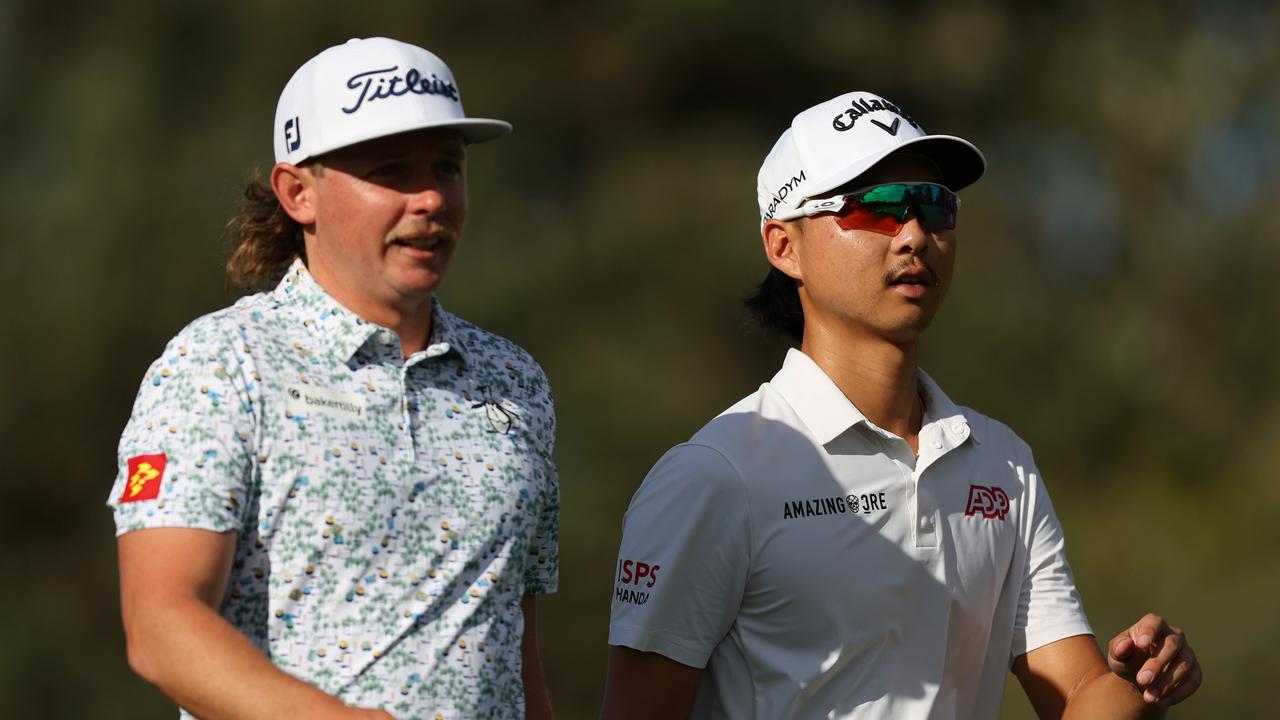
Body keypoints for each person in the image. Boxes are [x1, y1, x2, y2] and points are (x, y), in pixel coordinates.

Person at [602, 91, 1200, 718]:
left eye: (933, 206)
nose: (914, 234)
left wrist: (1141, 686)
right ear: (784, 247)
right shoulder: (713, 476)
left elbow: (1077, 694)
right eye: (877, 209)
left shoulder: (1002, 463)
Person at [107, 37, 558, 720]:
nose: (432, 196)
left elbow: (512, 654)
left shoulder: (515, 380)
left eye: (447, 166)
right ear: (298, 193)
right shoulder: (222, 364)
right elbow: (161, 629)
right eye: (392, 171)